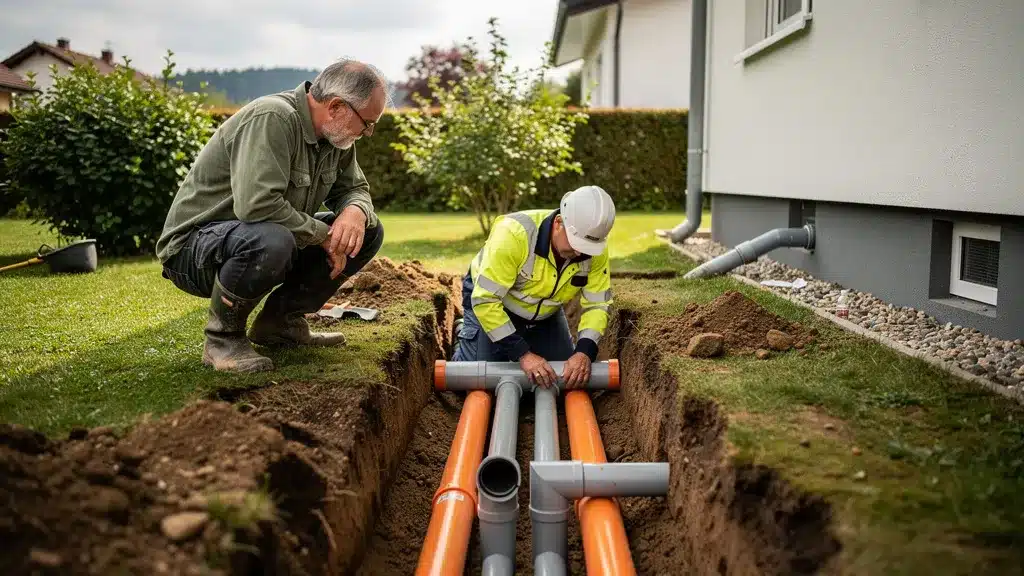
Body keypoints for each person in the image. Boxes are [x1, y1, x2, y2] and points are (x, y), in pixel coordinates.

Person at [155, 58, 389, 374]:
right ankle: (222, 340)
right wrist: (324, 235)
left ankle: (281, 323)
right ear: (336, 107)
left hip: (254, 239)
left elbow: (356, 188)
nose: (369, 132)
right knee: (272, 237)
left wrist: (356, 212)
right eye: (367, 123)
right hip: (192, 251)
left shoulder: (336, 136)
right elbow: (257, 207)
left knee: (368, 232)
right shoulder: (273, 119)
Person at [452, 186, 616, 389]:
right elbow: (485, 300)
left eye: (586, 248)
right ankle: (465, 332)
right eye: (575, 243)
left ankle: (523, 338)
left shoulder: (594, 248)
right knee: (473, 381)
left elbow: (597, 304)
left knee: (567, 380)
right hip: (492, 304)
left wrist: (584, 351)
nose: (580, 253)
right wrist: (523, 354)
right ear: (558, 223)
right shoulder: (514, 235)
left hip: (545, 313)